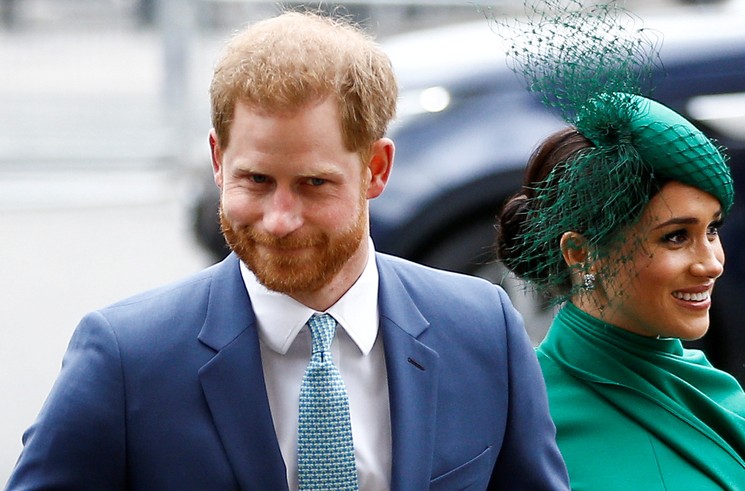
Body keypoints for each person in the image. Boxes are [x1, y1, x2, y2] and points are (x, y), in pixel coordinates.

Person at [7, 10, 569, 491]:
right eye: (254, 180)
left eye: (313, 184)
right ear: (217, 160)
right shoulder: (126, 357)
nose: (279, 221)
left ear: (376, 168)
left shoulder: (483, 330)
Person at [493, 2, 745, 490]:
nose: (711, 263)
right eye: (674, 237)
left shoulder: (713, 387)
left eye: (713, 229)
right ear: (580, 252)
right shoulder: (529, 423)